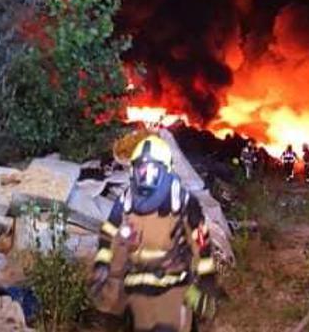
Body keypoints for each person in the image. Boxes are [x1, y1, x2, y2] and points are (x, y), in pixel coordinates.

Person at [90, 135, 218, 332]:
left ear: (166, 170)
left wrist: (206, 278)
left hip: (174, 287)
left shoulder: (182, 201)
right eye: (142, 169)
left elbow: (200, 239)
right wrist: (102, 265)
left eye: (152, 170)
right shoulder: (126, 200)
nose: (145, 177)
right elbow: (108, 232)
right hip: (137, 290)